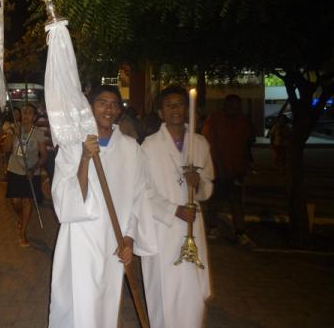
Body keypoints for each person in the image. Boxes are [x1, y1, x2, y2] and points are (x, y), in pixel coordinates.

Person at [48, 85, 157, 328]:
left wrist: (128, 238)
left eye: (114, 104)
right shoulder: (72, 145)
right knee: (78, 303)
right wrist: (85, 159)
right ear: (90, 107)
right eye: (102, 103)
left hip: (113, 240)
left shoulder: (130, 148)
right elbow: (67, 200)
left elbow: (138, 197)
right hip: (80, 238)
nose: (109, 109)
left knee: (105, 304)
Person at [141, 85, 214, 328]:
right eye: (169, 104)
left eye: (180, 103)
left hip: (193, 225)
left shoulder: (200, 143)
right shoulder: (149, 146)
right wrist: (174, 210)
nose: (175, 108)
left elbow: (208, 186)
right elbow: (143, 191)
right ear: (160, 112)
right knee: (166, 291)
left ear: (187, 109)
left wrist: (199, 183)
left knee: (192, 293)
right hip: (164, 227)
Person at [202, 94, 255, 246]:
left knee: (236, 202)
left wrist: (246, 165)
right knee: (215, 201)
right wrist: (216, 168)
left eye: (238, 107)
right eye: (232, 107)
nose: (235, 110)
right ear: (225, 106)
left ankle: (240, 232)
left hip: (236, 170)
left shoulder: (243, 121)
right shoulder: (214, 121)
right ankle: (212, 227)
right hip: (217, 170)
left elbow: (247, 143)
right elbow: (209, 146)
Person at [3, 103, 48, 247]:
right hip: (14, 169)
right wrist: (12, 134)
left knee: (27, 201)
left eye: (29, 113)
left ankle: (22, 232)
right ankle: (21, 218)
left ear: (34, 117)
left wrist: (34, 169)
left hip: (31, 172)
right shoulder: (15, 128)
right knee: (15, 201)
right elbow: (6, 149)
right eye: (24, 112)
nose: (26, 115)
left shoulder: (38, 133)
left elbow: (44, 155)